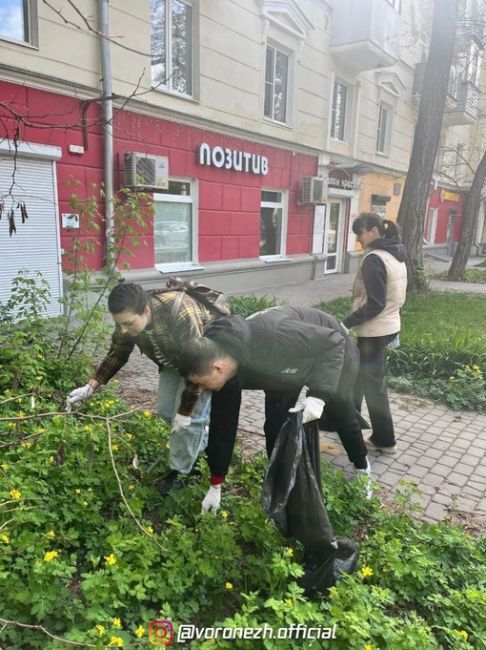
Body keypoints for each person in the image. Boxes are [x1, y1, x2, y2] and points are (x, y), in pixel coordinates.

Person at [177, 306, 372, 511]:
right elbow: (223, 425)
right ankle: (279, 485)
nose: (200, 389)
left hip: (332, 350)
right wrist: (216, 483)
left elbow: (333, 342)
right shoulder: (224, 369)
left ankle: (362, 467)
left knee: (341, 411)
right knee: (276, 427)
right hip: (285, 368)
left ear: (218, 368)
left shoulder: (274, 336)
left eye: (201, 383)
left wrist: (319, 396)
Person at [66, 281, 220, 494]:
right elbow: (117, 353)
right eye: (119, 324)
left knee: (188, 420)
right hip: (172, 360)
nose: (123, 330)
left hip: (202, 362)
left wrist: (185, 412)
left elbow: (198, 365)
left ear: (146, 311)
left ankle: (184, 471)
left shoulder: (180, 311)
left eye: (128, 324)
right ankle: (198, 443)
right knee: (167, 411)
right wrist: (90, 387)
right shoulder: (128, 319)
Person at [342, 212, 407, 454]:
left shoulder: (374, 259)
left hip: (374, 330)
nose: (359, 239)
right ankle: (350, 420)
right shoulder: (395, 252)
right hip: (388, 325)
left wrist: (347, 322)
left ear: (373, 231)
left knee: (374, 386)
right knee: (359, 375)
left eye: (360, 233)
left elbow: (376, 302)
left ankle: (384, 439)